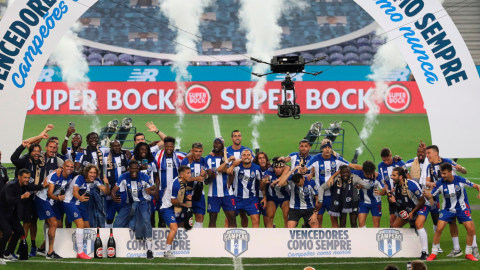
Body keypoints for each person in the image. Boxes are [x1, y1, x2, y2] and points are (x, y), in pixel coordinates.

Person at [11, 129, 52, 257]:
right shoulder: (24, 159)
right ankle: (13, 248)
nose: (37, 153)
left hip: (31, 197)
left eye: (38, 152)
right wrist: (41, 134)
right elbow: (14, 158)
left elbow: (35, 147)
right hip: (20, 197)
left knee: (29, 222)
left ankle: (25, 247)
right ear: (29, 151)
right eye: (34, 151)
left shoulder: (37, 161)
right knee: (15, 222)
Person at [426, 163, 480, 261]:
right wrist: (426, 194)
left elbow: (476, 185)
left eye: (444, 173)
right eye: (442, 173)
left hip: (462, 209)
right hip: (447, 210)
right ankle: (434, 253)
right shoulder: (440, 183)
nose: (443, 176)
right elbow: (431, 195)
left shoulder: (460, 180)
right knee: (438, 229)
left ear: (451, 172)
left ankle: (468, 253)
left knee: (470, 229)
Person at [305, 139, 361, 227]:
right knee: (318, 219)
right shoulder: (316, 158)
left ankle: (334, 240)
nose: (327, 149)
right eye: (325, 147)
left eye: (329, 147)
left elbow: (352, 166)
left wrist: (367, 168)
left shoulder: (337, 159)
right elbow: (306, 168)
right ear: (322, 149)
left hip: (333, 195)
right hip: (319, 196)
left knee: (334, 220)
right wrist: (304, 170)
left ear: (331, 149)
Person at [425, 145, 468, 257]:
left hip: (459, 195)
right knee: (451, 222)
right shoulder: (429, 167)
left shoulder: (447, 162)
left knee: (468, 223)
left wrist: (460, 168)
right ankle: (457, 248)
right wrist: (431, 184)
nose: (427, 155)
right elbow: (427, 182)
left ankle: (472, 247)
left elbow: (464, 172)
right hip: (446, 196)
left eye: (428, 153)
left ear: (436, 153)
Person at [64, 164, 110, 259]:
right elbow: (75, 191)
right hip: (70, 201)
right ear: (86, 173)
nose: (93, 174)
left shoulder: (96, 180)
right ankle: (80, 252)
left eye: (94, 173)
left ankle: (84, 249)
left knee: (87, 226)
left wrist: (107, 184)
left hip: (79, 201)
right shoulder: (80, 178)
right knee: (80, 225)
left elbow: (106, 191)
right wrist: (80, 198)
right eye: (91, 172)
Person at [113, 160, 157, 260]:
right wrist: (113, 196)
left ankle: (149, 250)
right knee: (117, 224)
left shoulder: (145, 177)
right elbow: (114, 190)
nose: (134, 170)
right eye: (132, 168)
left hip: (143, 202)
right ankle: (117, 247)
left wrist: (150, 192)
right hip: (130, 204)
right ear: (129, 169)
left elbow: (155, 191)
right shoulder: (124, 176)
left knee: (146, 221)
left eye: (136, 168)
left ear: (138, 169)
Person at [0, 169, 44, 262]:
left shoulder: (23, 185)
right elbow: (9, 200)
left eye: (28, 178)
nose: (27, 180)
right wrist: (22, 197)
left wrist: (43, 186)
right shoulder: (11, 186)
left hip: (10, 213)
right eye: (25, 177)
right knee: (7, 232)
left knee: (20, 231)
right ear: (19, 177)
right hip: (2, 212)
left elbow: (31, 187)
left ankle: (8, 254)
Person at [35, 161, 76, 259]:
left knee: (58, 225)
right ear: (62, 167)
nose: (69, 168)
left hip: (54, 201)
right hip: (44, 199)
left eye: (71, 167)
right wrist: (58, 198)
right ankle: (50, 253)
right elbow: (49, 193)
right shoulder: (55, 175)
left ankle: (41, 249)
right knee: (53, 223)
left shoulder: (71, 176)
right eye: (67, 166)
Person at [388, 167, 429, 260]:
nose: (392, 177)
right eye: (392, 175)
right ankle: (403, 249)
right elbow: (400, 206)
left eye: (394, 175)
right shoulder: (396, 187)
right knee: (395, 227)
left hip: (422, 206)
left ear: (401, 177)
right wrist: (393, 201)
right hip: (410, 209)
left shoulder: (412, 186)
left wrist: (412, 213)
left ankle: (425, 252)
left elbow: (422, 201)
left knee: (419, 224)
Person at [159, 165, 192, 259]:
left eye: (190, 173)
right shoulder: (177, 184)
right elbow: (173, 201)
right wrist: (185, 204)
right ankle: (167, 251)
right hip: (166, 208)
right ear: (181, 175)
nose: (190, 175)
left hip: (172, 208)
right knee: (174, 228)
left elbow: (179, 195)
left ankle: (185, 250)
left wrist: (186, 197)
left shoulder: (182, 182)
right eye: (188, 173)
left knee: (183, 223)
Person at [205, 137, 237, 228]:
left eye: (219, 143)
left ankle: (232, 239)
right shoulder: (208, 158)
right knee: (212, 219)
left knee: (232, 218)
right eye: (215, 143)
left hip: (227, 193)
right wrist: (224, 170)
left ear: (223, 145)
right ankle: (212, 240)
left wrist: (229, 182)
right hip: (213, 194)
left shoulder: (229, 156)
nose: (216, 145)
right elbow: (210, 174)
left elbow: (232, 172)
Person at [155, 136, 185, 226]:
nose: (169, 148)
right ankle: (162, 237)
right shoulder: (157, 157)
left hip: (176, 192)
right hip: (162, 191)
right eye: (167, 146)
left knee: (178, 216)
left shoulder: (179, 156)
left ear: (174, 147)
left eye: (171, 146)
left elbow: (191, 156)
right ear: (164, 146)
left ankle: (178, 237)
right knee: (162, 217)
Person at [226, 130, 253, 228]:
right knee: (229, 215)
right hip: (230, 187)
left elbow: (253, 163)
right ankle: (227, 234)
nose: (237, 138)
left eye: (239, 136)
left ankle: (244, 232)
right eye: (235, 136)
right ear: (232, 138)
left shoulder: (247, 151)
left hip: (243, 187)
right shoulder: (226, 150)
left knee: (243, 214)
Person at [230, 149, 262, 228]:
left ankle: (255, 239)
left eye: (248, 155)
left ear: (251, 157)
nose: (246, 157)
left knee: (256, 220)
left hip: (251, 199)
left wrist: (264, 196)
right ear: (241, 157)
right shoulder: (236, 167)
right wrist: (232, 166)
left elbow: (260, 183)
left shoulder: (257, 168)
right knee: (229, 219)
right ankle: (227, 238)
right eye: (244, 155)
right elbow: (225, 170)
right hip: (237, 198)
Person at [180, 142, 208, 228]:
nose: (198, 153)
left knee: (200, 216)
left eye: (200, 151)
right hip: (187, 194)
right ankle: (184, 238)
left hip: (200, 194)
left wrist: (205, 174)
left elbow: (207, 179)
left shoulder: (204, 161)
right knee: (186, 216)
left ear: (202, 151)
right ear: (192, 151)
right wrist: (196, 178)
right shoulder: (186, 161)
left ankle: (197, 239)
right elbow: (181, 179)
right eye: (196, 151)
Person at [132, 142, 159, 228]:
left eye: (146, 149)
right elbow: (130, 175)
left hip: (149, 193)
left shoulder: (152, 162)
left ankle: (151, 236)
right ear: (138, 150)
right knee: (137, 215)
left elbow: (156, 176)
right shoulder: (133, 162)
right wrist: (139, 168)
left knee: (151, 215)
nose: (144, 151)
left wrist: (156, 190)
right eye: (141, 149)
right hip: (136, 193)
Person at [377, 147, 406, 228]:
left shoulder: (400, 162)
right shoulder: (380, 166)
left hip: (402, 194)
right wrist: (389, 192)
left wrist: (399, 188)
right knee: (392, 217)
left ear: (391, 155)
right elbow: (384, 182)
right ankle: (393, 235)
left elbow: (408, 178)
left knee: (405, 216)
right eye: (384, 160)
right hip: (391, 195)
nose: (386, 162)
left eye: (388, 159)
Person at [104, 140, 130, 228]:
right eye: (114, 146)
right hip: (109, 191)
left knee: (122, 216)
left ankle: (123, 237)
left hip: (122, 191)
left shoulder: (125, 155)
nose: (117, 148)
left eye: (118, 146)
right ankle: (108, 235)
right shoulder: (105, 157)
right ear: (110, 147)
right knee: (109, 216)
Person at [261, 157, 290, 228]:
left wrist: (278, 180)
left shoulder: (288, 174)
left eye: (280, 167)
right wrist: (263, 183)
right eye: (276, 167)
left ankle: (286, 236)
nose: (278, 169)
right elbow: (262, 188)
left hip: (285, 197)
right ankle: (269, 236)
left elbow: (282, 183)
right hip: (272, 197)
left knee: (287, 218)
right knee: (269, 218)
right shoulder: (268, 173)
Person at [355, 161, 384, 228]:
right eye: (366, 174)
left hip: (376, 203)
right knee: (361, 222)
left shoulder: (378, 177)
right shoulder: (359, 173)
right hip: (363, 202)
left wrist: (380, 193)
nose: (369, 176)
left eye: (370, 174)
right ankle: (364, 238)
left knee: (376, 225)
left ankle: (374, 238)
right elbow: (346, 171)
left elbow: (384, 189)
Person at [252, 151, 273, 227]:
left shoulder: (271, 170)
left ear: (266, 159)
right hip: (256, 198)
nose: (262, 160)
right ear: (257, 161)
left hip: (268, 199)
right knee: (256, 221)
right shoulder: (254, 169)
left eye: (263, 158)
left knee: (267, 222)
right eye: (260, 158)